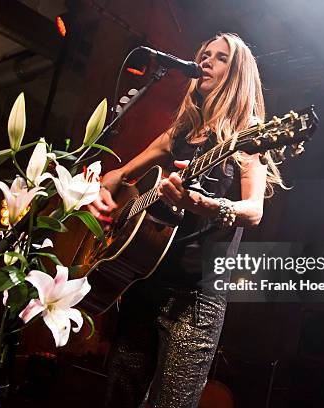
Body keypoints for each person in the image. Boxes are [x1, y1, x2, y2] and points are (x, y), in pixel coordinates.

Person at [87, 32, 285, 408]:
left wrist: (203, 204)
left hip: (196, 299)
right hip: (143, 284)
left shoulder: (249, 135)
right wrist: (104, 190)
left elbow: (254, 210)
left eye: (221, 57)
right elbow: (119, 177)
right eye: (204, 54)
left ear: (238, 71)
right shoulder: (179, 132)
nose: (207, 61)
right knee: (118, 395)